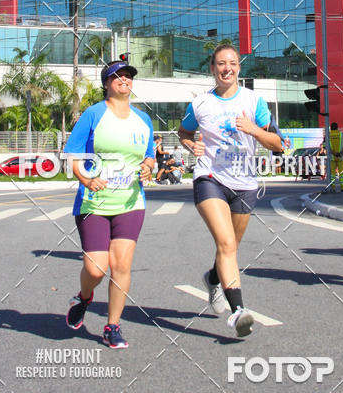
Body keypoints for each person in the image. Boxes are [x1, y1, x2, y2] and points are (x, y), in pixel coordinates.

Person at [178, 43, 282, 337]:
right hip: (209, 177)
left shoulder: (254, 101)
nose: (227, 68)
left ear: (239, 68)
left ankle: (213, 279)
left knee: (230, 248)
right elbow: (184, 132)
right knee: (225, 244)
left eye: (232, 63)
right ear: (212, 68)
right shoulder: (200, 104)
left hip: (245, 184)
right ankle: (239, 311)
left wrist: (255, 130)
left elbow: (278, 145)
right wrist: (190, 144)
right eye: (221, 64)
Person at [63, 58, 154, 349]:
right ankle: (85, 297)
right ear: (106, 84)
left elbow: (149, 154)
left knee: (121, 265)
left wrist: (149, 166)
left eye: (128, 76)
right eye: (117, 77)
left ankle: (112, 325)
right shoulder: (93, 114)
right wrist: (87, 180)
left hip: (131, 201)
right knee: (95, 269)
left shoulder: (144, 119)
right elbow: (73, 155)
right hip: (94, 203)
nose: (124, 80)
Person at [329, 122, 343, 191]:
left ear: (331, 127)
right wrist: (340, 153)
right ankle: (342, 187)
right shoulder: (342, 135)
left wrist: (334, 153)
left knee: (332, 173)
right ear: (337, 127)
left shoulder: (328, 135)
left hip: (332, 157)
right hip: (340, 157)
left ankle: (332, 187)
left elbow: (326, 146)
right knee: (341, 173)